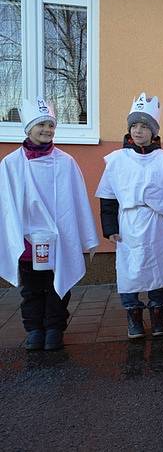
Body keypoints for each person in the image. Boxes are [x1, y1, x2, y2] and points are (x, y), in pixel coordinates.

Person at [0, 97, 99, 351]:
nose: (47, 129)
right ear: (28, 128)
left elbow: (77, 202)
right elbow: (6, 207)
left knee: (57, 287)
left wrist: (87, 239)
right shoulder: (11, 165)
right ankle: (34, 329)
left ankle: (54, 328)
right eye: (41, 124)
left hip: (59, 239)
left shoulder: (66, 162)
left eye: (51, 125)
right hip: (26, 241)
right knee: (32, 289)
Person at [96, 93, 163, 339]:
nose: (139, 131)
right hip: (129, 223)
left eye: (144, 126)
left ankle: (157, 314)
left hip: (158, 224)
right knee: (129, 271)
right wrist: (109, 227)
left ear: (154, 132)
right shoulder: (117, 161)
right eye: (134, 126)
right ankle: (133, 315)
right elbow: (108, 197)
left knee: (158, 267)